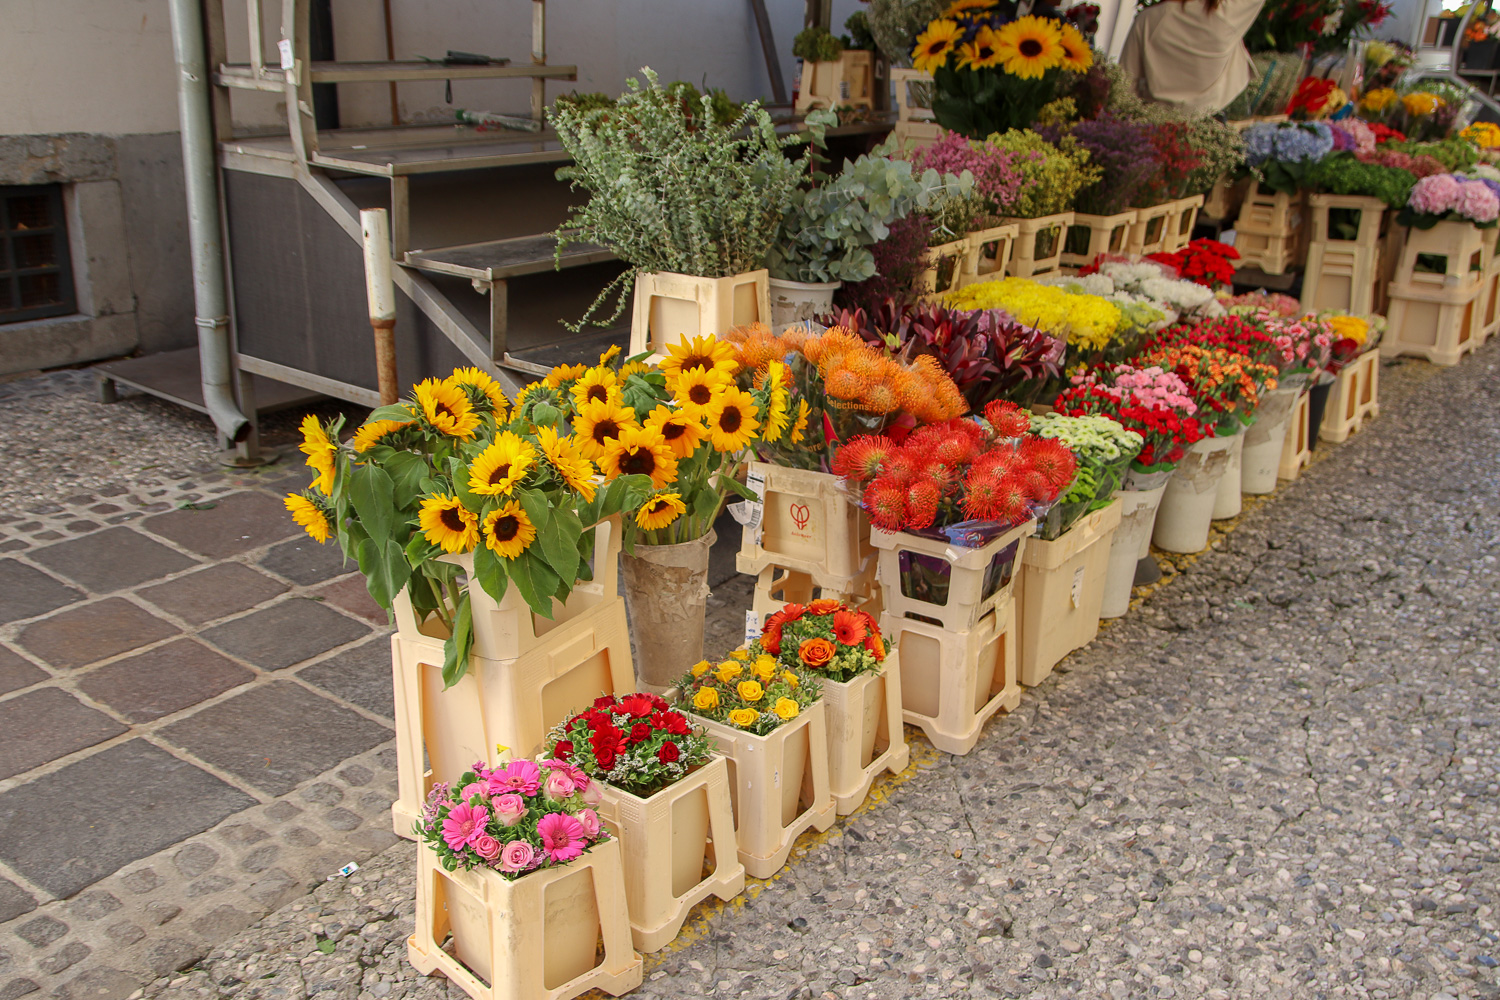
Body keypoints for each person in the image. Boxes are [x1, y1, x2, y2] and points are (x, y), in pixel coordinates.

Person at [1119, 0, 1267, 113]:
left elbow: (1123, 88)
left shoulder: (1148, 20)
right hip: (1209, 124)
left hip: (1154, 127)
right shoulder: (1226, 15)